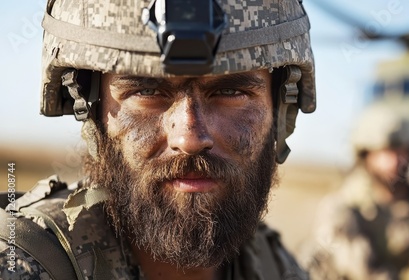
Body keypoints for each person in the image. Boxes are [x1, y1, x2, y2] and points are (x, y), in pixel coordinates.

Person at [0, 0, 316, 279]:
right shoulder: (23, 261)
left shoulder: (274, 264)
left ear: (280, 107)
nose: (189, 138)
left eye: (230, 91)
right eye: (147, 92)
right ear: (91, 108)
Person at [301, 101, 409, 280]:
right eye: (386, 151)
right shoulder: (343, 210)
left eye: (402, 151)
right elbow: (362, 271)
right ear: (366, 155)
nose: (395, 161)